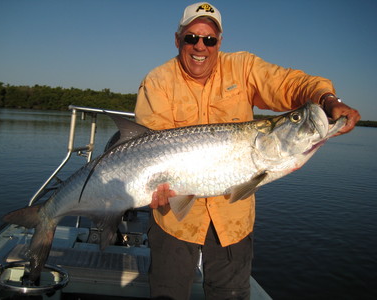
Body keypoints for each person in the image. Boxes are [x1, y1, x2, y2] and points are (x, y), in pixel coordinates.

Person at [134, 2, 360, 299]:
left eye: (209, 39)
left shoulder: (243, 68)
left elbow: (293, 85)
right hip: (175, 220)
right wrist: (154, 188)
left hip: (232, 221)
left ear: (219, 43)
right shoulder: (158, 81)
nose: (200, 46)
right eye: (191, 38)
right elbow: (148, 145)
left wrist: (327, 99)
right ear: (178, 40)